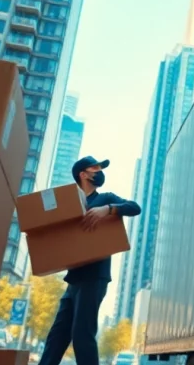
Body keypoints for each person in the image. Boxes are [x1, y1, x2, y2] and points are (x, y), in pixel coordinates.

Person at [38, 155, 142, 365]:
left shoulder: (104, 199)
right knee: (57, 336)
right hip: (74, 279)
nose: (99, 171)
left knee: (82, 335)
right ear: (83, 174)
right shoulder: (68, 205)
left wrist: (108, 209)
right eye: (95, 168)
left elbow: (134, 207)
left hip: (95, 276)